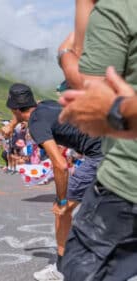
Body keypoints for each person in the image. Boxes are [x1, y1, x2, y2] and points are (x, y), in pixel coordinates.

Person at [55, 1, 137, 279]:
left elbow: (91, 94)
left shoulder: (118, 8)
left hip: (127, 185)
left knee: (80, 268)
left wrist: (66, 56)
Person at [4, 83, 103, 281]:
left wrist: (61, 199)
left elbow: (60, 165)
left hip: (98, 155)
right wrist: (12, 125)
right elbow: (24, 109)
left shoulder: (36, 123)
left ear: (14, 108)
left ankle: (61, 268)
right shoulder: (45, 105)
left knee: (62, 212)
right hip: (114, 144)